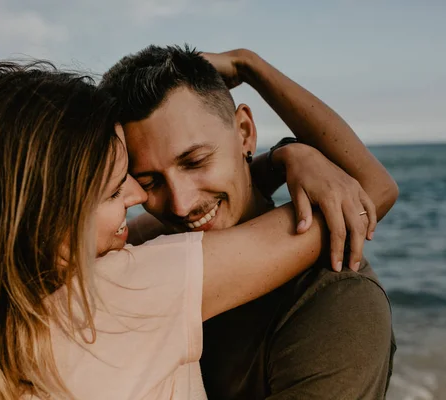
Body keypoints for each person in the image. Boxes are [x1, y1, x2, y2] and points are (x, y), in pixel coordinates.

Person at [0, 61, 362, 400]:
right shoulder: (129, 288)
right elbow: (361, 197)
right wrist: (283, 144)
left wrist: (259, 166)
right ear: (49, 222)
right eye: (114, 190)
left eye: (132, 177)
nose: (139, 197)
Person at [101, 45, 399, 399]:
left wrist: (281, 157)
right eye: (149, 183)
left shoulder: (334, 301)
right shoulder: (147, 253)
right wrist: (279, 156)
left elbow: (367, 195)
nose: (181, 205)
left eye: (195, 161)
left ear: (244, 132)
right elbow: (373, 191)